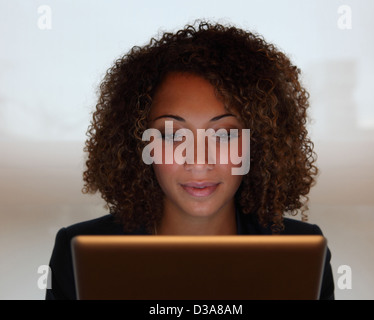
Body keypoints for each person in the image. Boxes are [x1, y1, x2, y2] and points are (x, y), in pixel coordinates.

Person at [46, 20, 335, 300]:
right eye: (173, 136)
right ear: (141, 144)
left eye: (223, 135)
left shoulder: (301, 256)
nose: (198, 161)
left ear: (255, 144)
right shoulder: (77, 254)